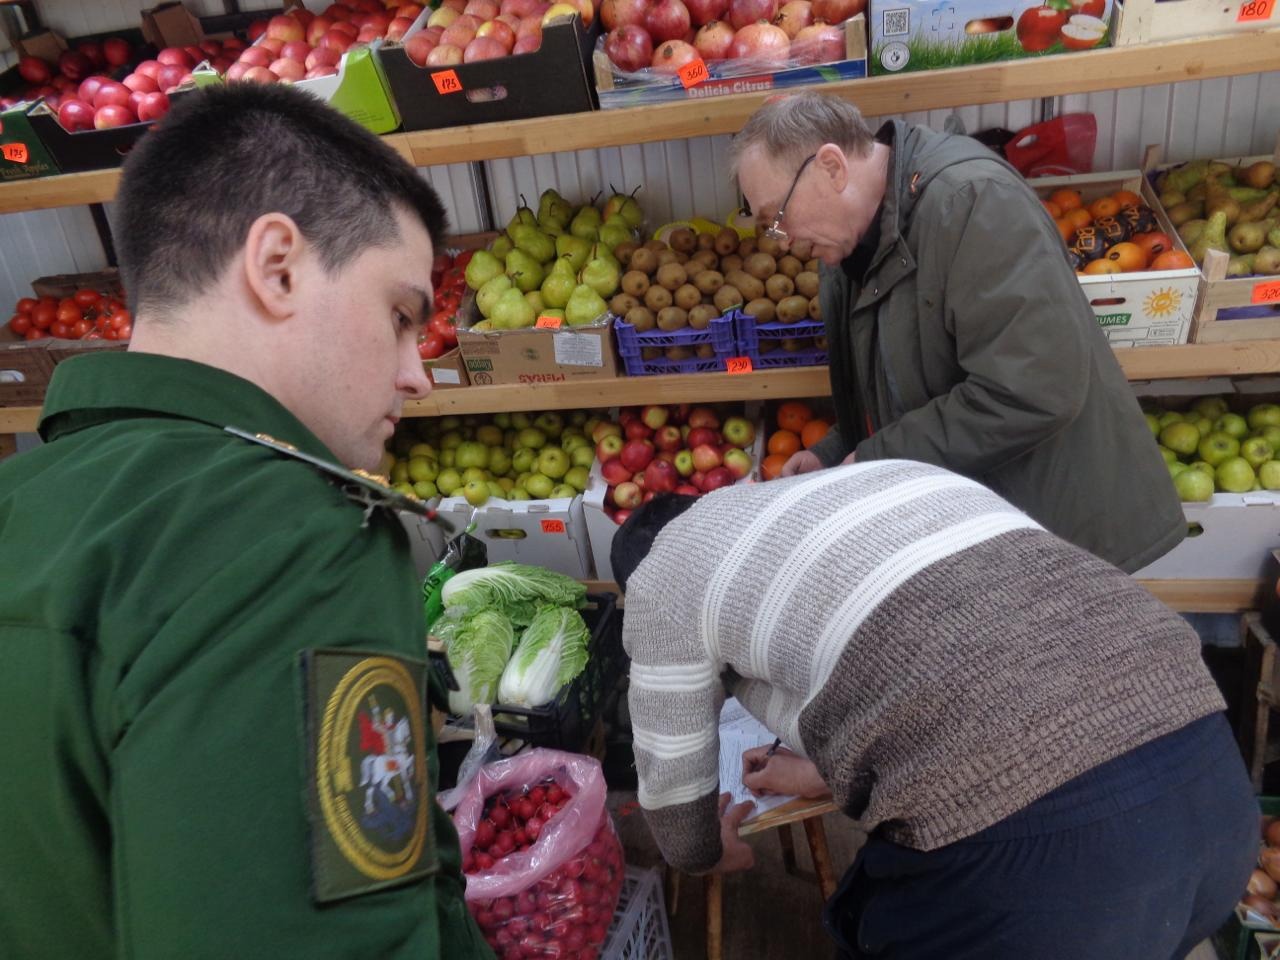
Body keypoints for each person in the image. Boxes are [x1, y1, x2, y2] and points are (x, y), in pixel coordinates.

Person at [0, 84, 491, 959]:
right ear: (277, 267)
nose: (418, 374)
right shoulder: (295, 543)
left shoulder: (27, 504)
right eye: (401, 315)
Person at [610, 465, 1257, 960]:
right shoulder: (885, 479)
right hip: (1214, 796)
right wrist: (827, 770)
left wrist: (701, 851)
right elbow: (981, 651)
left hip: (1036, 879)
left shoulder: (662, 580)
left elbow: (672, 774)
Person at [730, 91, 1183, 574]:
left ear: (831, 167)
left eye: (777, 219)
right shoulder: (848, 243)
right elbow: (901, 380)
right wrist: (833, 451)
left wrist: (873, 457)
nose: (783, 241)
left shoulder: (973, 202)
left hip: (1066, 541)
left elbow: (1034, 389)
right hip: (990, 533)